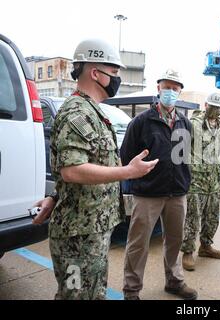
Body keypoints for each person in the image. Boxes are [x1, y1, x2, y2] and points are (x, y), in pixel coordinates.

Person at [47, 38, 158, 300]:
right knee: (74, 296)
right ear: (95, 73)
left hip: (92, 230)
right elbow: (72, 171)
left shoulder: (93, 111)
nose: (118, 79)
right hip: (77, 235)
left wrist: (54, 197)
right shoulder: (77, 112)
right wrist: (128, 172)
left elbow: (79, 170)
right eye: (115, 73)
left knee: (93, 293)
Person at [120, 69, 197, 300]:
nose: (171, 92)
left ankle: (174, 281)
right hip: (148, 194)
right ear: (158, 88)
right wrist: (142, 179)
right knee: (138, 244)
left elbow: (184, 157)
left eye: (175, 88)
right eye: (167, 87)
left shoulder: (184, 123)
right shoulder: (141, 122)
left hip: (177, 193)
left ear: (180, 91)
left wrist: (184, 182)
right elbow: (126, 156)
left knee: (174, 241)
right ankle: (131, 290)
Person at [181, 92, 220, 271]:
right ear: (206, 105)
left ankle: (206, 246)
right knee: (193, 218)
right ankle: (187, 251)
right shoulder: (194, 124)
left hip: (214, 182)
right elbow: (181, 153)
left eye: (218, 108)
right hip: (196, 181)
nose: (215, 110)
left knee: (212, 217)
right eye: (212, 107)